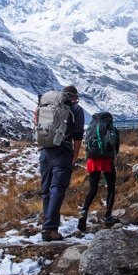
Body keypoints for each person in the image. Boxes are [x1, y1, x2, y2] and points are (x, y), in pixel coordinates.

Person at [39, 85, 85, 241]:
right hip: (63, 152)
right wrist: (76, 155)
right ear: (74, 97)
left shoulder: (46, 105)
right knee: (57, 189)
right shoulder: (76, 109)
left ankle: (48, 225)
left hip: (45, 151)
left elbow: (36, 120)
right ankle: (49, 229)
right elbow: (78, 135)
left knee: (46, 191)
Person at [78, 113, 120, 231]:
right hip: (107, 160)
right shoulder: (112, 130)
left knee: (93, 189)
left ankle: (84, 211)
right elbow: (116, 148)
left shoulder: (91, 128)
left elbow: (86, 146)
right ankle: (108, 216)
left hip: (93, 160)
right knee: (111, 187)